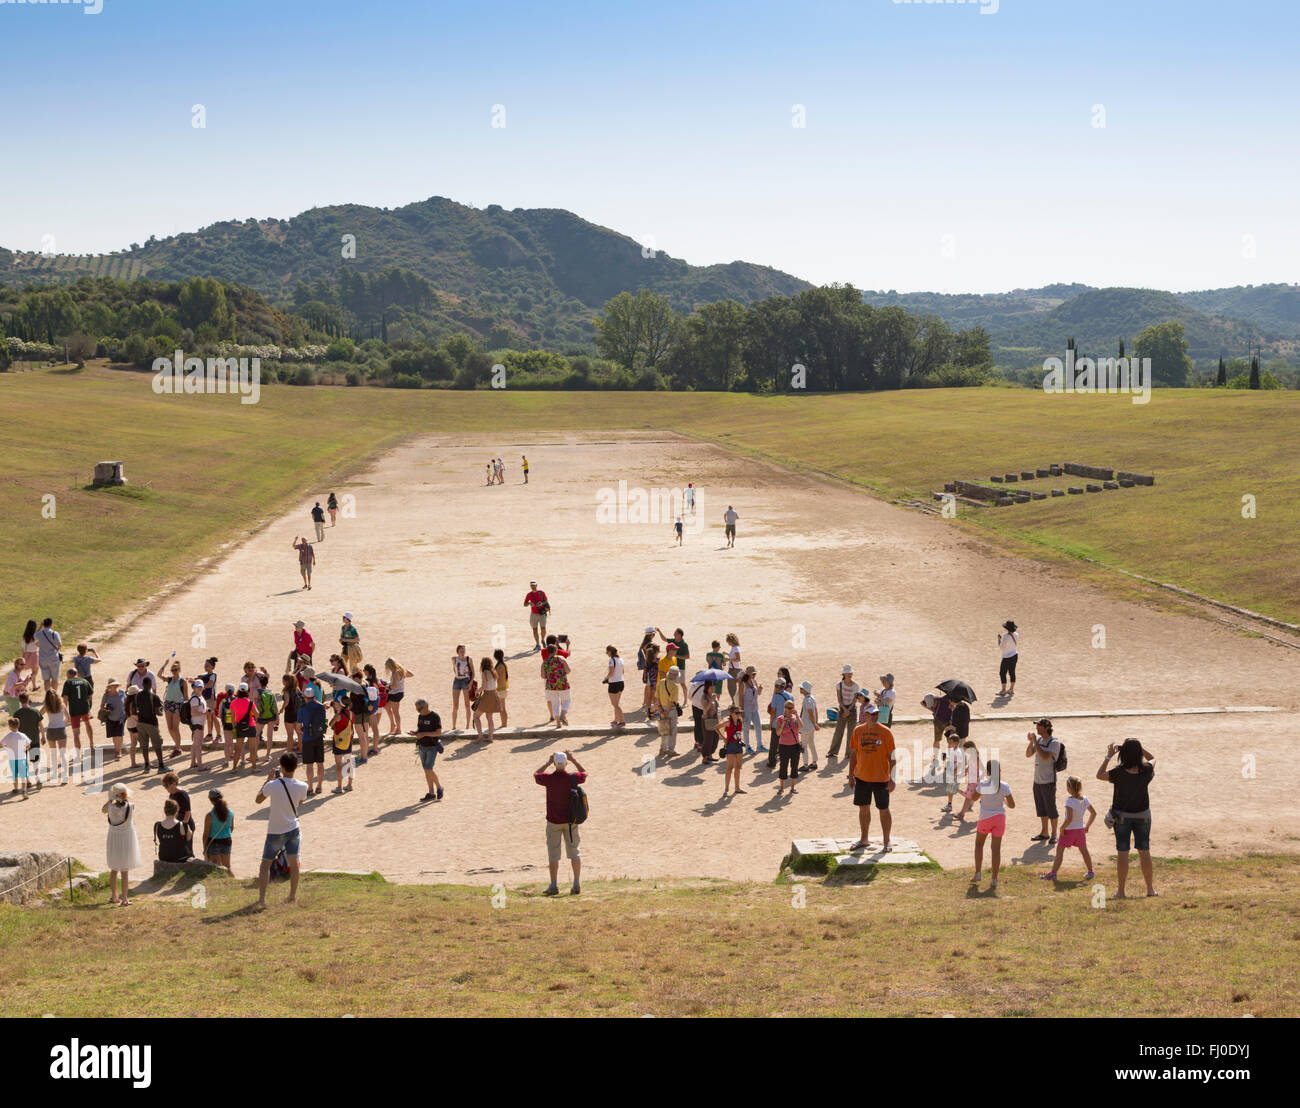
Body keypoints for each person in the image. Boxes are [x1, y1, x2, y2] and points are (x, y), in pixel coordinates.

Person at [1098, 738, 1157, 898]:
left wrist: (1108, 756)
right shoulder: (1146, 770)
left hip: (1122, 816)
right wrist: (1140, 748)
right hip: (1143, 815)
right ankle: (1150, 890)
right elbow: (1153, 758)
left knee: (1122, 852)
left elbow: (1100, 775)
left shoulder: (1118, 772)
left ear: (1123, 754)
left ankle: (1121, 892)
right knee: (1144, 852)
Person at [254, 753, 309, 907]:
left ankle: (262, 899)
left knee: (265, 864)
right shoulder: (303, 786)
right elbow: (301, 801)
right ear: (296, 767)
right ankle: (292, 896)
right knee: (294, 863)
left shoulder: (273, 785)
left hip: (275, 830)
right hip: (293, 828)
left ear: (282, 767)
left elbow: (258, 799)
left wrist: (268, 780)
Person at [534, 751, 586, 896]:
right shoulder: (573, 778)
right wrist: (574, 759)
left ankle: (554, 885)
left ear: (555, 764)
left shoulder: (549, 779)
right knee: (574, 852)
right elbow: (584, 772)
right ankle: (576, 883)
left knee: (553, 855)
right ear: (566, 764)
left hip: (553, 821)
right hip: (570, 822)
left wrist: (548, 762)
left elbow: (536, 774)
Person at [847, 704, 897, 851]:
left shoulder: (886, 732)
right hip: (862, 777)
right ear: (865, 715)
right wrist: (851, 775)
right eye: (871, 714)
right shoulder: (858, 731)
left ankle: (887, 841)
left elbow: (892, 758)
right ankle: (864, 839)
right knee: (863, 808)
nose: (875, 716)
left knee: (884, 809)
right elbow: (854, 754)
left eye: (876, 714)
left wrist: (892, 779)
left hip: (881, 778)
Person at [1041, 776, 1096, 881]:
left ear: (1070, 788)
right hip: (1080, 830)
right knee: (1084, 851)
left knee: (1060, 851)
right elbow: (1093, 813)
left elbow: (1069, 819)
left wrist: (1061, 828)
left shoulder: (1069, 801)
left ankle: (1053, 873)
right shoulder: (1085, 799)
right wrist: (1087, 826)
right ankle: (1090, 871)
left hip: (1069, 831)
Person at [972, 759, 1015, 889]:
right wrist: (1004, 802)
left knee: (979, 844)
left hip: (985, 817)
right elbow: (1012, 805)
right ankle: (994, 879)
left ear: (988, 772)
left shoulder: (983, 785)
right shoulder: (1005, 786)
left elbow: (974, 798)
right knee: (996, 849)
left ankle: (978, 873)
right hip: (999, 818)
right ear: (1000, 771)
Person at [103, 783, 143, 905]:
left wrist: (111, 799)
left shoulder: (109, 806)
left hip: (114, 837)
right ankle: (125, 898)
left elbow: (103, 810)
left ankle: (114, 896)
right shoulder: (131, 806)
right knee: (125, 871)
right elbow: (127, 804)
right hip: (127, 837)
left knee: (114, 869)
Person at [1025, 718, 1061, 844]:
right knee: (1041, 809)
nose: (1037, 728)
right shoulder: (1039, 740)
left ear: (1046, 728)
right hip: (1037, 781)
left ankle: (1054, 834)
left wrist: (1035, 741)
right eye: (1037, 726)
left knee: (1051, 809)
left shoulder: (1054, 743)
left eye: (1039, 726)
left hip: (1048, 781)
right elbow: (1028, 754)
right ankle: (1044, 832)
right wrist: (1031, 742)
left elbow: (1046, 757)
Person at [410, 699, 445, 802]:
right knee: (426, 771)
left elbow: (438, 733)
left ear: (425, 707)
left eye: (419, 709)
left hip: (432, 747)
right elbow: (420, 730)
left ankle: (439, 787)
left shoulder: (435, 717)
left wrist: (424, 734)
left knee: (428, 769)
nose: (418, 711)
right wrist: (415, 733)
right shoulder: (420, 716)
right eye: (417, 709)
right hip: (422, 746)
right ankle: (431, 793)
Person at [296, 685, 328, 795]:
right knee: (320, 763)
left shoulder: (303, 709)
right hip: (319, 737)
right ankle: (319, 786)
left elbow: (298, 726)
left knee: (309, 765)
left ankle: (310, 788)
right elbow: (324, 721)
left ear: (305, 697)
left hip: (307, 738)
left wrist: (302, 732)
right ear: (314, 696)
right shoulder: (321, 707)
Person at [826, 665, 860, 762]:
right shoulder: (839, 685)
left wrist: (848, 710)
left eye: (850, 673)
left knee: (851, 733)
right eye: (848, 673)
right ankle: (832, 751)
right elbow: (839, 699)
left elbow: (855, 700)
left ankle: (849, 753)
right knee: (838, 731)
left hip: (851, 709)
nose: (850, 675)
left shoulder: (856, 686)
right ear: (844, 674)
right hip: (843, 709)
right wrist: (844, 710)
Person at [61, 665, 95, 756]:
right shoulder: (84, 681)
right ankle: (92, 743)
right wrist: (89, 707)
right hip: (84, 707)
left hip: (74, 709)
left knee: (76, 732)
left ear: (70, 675)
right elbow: (90, 696)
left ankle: (78, 753)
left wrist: (65, 712)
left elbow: (65, 698)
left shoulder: (68, 683)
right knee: (87, 723)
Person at [135, 676, 165, 773]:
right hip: (151, 723)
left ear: (143, 684)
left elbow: (136, 708)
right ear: (150, 684)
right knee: (157, 744)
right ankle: (161, 766)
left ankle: (146, 765)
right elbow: (157, 712)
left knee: (144, 745)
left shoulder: (138, 695)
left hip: (140, 723)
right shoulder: (154, 697)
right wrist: (161, 711)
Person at [773, 699, 802, 796]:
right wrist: (783, 723)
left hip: (795, 745)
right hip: (784, 746)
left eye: (792, 708)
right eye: (788, 708)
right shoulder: (780, 719)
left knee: (794, 766)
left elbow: (801, 726)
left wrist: (797, 715)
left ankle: (793, 787)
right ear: (784, 708)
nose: (790, 709)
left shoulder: (795, 718)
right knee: (783, 766)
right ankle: (781, 788)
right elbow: (778, 733)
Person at [13, 693, 43, 787]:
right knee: (36, 761)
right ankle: (38, 778)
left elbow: (14, 729)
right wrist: (43, 736)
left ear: (19, 700)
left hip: (21, 741)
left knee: (24, 761)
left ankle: (28, 780)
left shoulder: (17, 713)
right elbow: (41, 725)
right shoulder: (35, 711)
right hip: (34, 739)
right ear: (28, 699)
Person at [656, 665, 685, 759]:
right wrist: (667, 711)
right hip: (670, 710)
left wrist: (660, 709)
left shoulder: (661, 682)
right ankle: (671, 750)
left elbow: (657, 697)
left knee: (664, 729)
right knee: (673, 730)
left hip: (662, 708)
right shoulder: (675, 686)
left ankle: (663, 748)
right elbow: (672, 701)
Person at [203, 789, 233, 874]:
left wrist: (205, 848)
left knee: (216, 869)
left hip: (214, 842)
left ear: (211, 801)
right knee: (227, 868)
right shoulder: (230, 812)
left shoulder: (209, 816)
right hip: (227, 840)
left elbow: (206, 834)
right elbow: (231, 828)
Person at [153, 798, 194, 863]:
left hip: (164, 857)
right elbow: (189, 838)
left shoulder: (158, 825)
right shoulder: (183, 825)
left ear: (165, 811)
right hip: (181, 858)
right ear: (176, 811)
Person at [473, 656, 503, 742]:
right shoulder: (493, 672)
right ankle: (490, 737)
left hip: (488, 695)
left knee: (476, 716)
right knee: (489, 718)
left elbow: (484, 687)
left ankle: (480, 736)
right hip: (494, 694)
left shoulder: (485, 673)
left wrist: (476, 691)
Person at [160, 660, 187, 757]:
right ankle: (177, 746)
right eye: (172, 670)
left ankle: (178, 748)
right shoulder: (170, 679)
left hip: (177, 704)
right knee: (170, 728)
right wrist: (165, 664)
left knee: (175, 728)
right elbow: (159, 675)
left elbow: (186, 697)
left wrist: (185, 709)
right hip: (168, 703)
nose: (174, 671)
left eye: (176, 669)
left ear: (179, 670)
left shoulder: (183, 681)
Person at [541, 643, 571, 728]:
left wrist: (550, 675)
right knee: (567, 700)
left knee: (555, 703)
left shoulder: (544, 662)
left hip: (550, 685)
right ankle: (563, 715)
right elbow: (568, 671)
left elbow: (543, 676)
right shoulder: (561, 659)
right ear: (556, 651)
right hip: (562, 683)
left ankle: (558, 723)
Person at [923, 691, 953, 774]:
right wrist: (932, 709)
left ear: (935, 699)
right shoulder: (932, 700)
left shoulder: (945, 700)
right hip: (938, 722)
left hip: (948, 722)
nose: (932, 705)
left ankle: (950, 759)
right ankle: (935, 757)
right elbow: (922, 703)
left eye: (932, 704)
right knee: (937, 740)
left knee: (950, 741)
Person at [765, 679, 793, 770]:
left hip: (777, 724)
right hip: (787, 723)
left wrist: (770, 723)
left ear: (777, 686)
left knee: (774, 744)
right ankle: (783, 763)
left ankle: (772, 762)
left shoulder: (775, 697)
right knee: (785, 744)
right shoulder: (790, 696)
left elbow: (773, 712)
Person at [329, 699, 355, 791]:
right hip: (349, 741)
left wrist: (335, 716)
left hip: (338, 742)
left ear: (341, 705)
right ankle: (349, 785)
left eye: (336, 703)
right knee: (349, 763)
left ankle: (339, 786)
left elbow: (330, 724)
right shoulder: (352, 714)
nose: (335, 704)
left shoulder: (338, 716)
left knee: (338, 765)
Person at [720, 705, 746, 797]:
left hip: (738, 745)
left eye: (740, 712)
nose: (739, 714)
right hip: (730, 745)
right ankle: (726, 790)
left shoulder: (740, 721)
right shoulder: (728, 722)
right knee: (729, 769)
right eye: (737, 713)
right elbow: (716, 727)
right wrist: (724, 738)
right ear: (731, 714)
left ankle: (737, 788)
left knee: (738, 768)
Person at [162, 771, 194, 842]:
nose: (165, 788)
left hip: (186, 825)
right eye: (164, 786)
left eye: (166, 785)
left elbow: (187, 813)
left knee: (187, 850)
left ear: (173, 783)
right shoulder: (171, 794)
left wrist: (183, 827)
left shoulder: (182, 795)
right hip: (177, 825)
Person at [383, 658, 412, 736]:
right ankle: (393, 725)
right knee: (387, 707)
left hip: (395, 693)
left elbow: (394, 686)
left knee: (395, 712)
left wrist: (387, 686)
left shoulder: (395, 672)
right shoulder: (401, 670)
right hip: (399, 692)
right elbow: (411, 674)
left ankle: (398, 729)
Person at [2, 717, 31, 796]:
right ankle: (24, 790)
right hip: (22, 757)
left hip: (12, 758)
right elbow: (28, 745)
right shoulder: (22, 735)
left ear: (9, 726)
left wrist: (6, 747)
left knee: (14, 775)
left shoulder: (8, 736)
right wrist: (24, 749)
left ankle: (16, 788)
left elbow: (1, 744)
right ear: (18, 725)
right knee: (23, 775)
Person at [940, 728, 964, 814]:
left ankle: (969, 797)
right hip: (952, 773)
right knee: (952, 789)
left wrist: (954, 772)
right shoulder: (953, 750)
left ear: (956, 743)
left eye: (950, 742)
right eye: (949, 742)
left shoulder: (958, 752)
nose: (949, 744)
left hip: (955, 774)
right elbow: (951, 760)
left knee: (953, 789)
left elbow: (960, 764)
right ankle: (950, 804)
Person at [739, 668, 764, 753]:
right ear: (748, 674)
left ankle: (759, 745)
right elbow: (740, 698)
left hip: (754, 707)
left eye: (754, 674)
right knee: (746, 728)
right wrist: (741, 710)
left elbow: (758, 694)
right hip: (746, 708)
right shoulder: (742, 684)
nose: (754, 675)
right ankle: (747, 747)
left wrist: (760, 689)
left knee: (758, 726)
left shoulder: (754, 681)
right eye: (753, 674)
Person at [34, 618, 62, 689]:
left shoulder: (39, 633)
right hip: (53, 658)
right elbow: (59, 645)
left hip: (43, 658)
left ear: (44, 624)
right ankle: (54, 696)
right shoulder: (54, 633)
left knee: (46, 679)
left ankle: (48, 697)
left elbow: (34, 636)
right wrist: (56, 651)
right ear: (51, 624)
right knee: (55, 679)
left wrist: (40, 626)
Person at [798, 681, 820, 771]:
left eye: (802, 688)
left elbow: (811, 712)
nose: (800, 689)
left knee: (804, 745)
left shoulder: (807, 700)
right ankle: (814, 762)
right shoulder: (812, 698)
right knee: (811, 743)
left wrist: (815, 723)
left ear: (805, 690)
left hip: (806, 726)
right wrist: (815, 722)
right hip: (810, 726)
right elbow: (815, 710)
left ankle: (806, 764)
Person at [187, 678, 208, 768]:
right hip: (197, 723)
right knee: (198, 744)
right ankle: (200, 766)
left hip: (199, 723)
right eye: (197, 687)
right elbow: (193, 713)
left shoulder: (200, 697)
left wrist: (206, 711)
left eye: (200, 687)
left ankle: (193, 763)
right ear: (194, 688)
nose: (199, 688)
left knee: (195, 744)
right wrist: (205, 713)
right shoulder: (195, 698)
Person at [450, 645, 473, 729]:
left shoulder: (469, 659)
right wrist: (457, 675)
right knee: (455, 705)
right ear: (457, 652)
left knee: (467, 704)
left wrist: (470, 682)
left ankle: (467, 725)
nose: (463, 652)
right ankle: (454, 726)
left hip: (465, 681)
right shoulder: (454, 659)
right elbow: (454, 669)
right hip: (457, 680)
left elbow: (473, 672)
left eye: (463, 651)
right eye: (461, 651)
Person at [604, 645, 625, 728]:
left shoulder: (611, 660)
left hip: (614, 684)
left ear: (610, 652)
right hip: (621, 682)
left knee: (615, 704)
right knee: (616, 703)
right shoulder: (621, 659)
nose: (607, 654)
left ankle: (622, 721)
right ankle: (616, 720)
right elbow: (623, 672)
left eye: (607, 652)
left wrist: (605, 678)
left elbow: (611, 673)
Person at [524, 581, 549, 650]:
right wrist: (529, 603)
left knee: (543, 628)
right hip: (533, 614)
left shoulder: (541, 593)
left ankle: (543, 640)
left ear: (536, 585)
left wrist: (542, 603)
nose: (533, 586)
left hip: (542, 613)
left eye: (534, 585)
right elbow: (524, 604)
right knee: (535, 630)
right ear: (530, 586)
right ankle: (537, 644)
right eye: (531, 585)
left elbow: (546, 600)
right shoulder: (529, 594)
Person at [998, 620, 1019, 696]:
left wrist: (999, 639)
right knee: (1012, 672)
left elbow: (1001, 647)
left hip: (1006, 657)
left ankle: (1003, 690)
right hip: (1014, 655)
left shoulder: (1005, 637)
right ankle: (1011, 689)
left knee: (1002, 673)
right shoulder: (1016, 634)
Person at [19, 620, 41, 692]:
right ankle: (24, 684)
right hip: (34, 655)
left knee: (32, 672)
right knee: (35, 672)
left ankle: (34, 686)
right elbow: (38, 645)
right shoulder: (35, 637)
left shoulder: (25, 636)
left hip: (26, 655)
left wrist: (22, 657)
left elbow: (22, 648)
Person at [491, 650, 509, 728]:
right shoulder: (504, 664)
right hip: (504, 688)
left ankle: (504, 724)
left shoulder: (499, 666)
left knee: (502, 708)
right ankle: (504, 723)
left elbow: (497, 678)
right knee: (502, 708)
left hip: (500, 689)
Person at [724, 633, 742, 703]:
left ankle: (734, 702)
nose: (728, 643)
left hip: (734, 670)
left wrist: (728, 660)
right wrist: (727, 654)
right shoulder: (734, 648)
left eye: (728, 641)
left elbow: (738, 659)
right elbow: (734, 657)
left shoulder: (736, 648)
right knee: (733, 688)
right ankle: (735, 701)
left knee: (731, 688)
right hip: (734, 669)